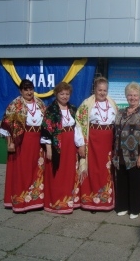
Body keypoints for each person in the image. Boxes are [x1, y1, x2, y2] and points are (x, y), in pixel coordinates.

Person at [0, 79, 46, 213]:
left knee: (37, 169)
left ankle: (35, 200)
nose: (29, 92)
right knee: (22, 170)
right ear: (21, 91)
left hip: (37, 141)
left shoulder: (40, 103)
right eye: (26, 89)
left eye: (31, 89)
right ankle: (20, 201)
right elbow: (7, 125)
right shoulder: (15, 105)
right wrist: (10, 143)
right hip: (22, 141)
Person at [75, 77, 117, 213]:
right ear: (95, 89)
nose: (102, 93)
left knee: (107, 170)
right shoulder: (87, 104)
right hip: (93, 142)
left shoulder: (112, 104)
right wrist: (81, 144)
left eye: (105, 90)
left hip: (108, 142)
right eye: (100, 90)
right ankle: (92, 201)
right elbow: (79, 125)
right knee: (93, 169)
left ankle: (106, 200)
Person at [112, 82, 140, 219]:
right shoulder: (120, 113)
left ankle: (134, 209)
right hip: (120, 153)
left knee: (135, 182)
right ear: (126, 96)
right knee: (121, 180)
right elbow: (115, 132)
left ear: (139, 96)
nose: (132, 98)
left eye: (135, 95)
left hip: (135, 154)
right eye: (130, 95)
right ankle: (122, 206)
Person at [41, 82, 80, 214]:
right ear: (56, 94)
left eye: (67, 94)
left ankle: (68, 201)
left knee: (69, 172)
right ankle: (55, 202)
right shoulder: (51, 110)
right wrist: (49, 148)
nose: (64, 96)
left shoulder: (73, 109)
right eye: (62, 93)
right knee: (57, 173)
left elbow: (78, 127)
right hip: (58, 144)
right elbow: (46, 129)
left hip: (71, 144)